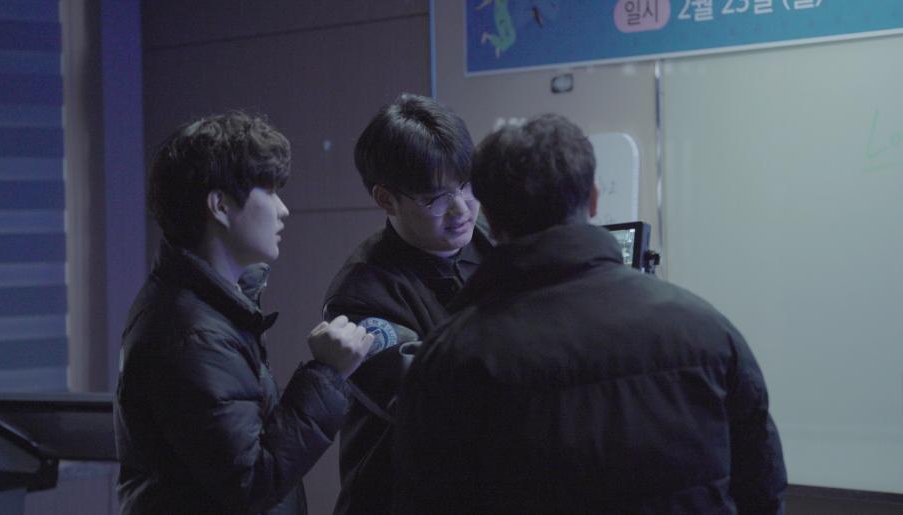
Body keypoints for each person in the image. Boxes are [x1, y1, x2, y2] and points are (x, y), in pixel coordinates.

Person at [393, 114, 787, 513]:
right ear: (595, 198)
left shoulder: (450, 359)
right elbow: (763, 490)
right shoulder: (707, 330)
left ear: (490, 220)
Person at [113, 111, 373, 515]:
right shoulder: (191, 333)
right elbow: (251, 481)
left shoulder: (207, 307)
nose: (284, 210)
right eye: (269, 191)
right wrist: (327, 375)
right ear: (220, 205)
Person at [322, 93, 492, 514]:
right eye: (435, 198)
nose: (461, 208)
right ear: (386, 199)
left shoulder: (494, 243)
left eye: (466, 185)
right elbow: (435, 407)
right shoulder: (361, 294)